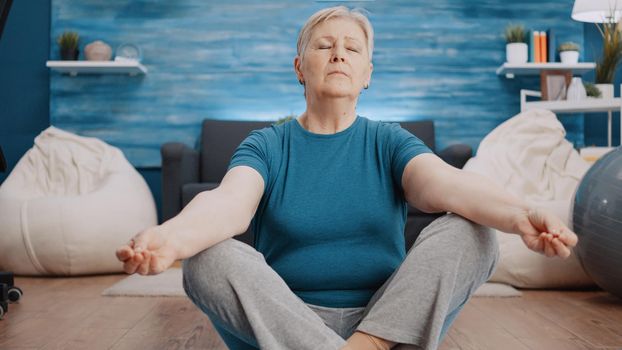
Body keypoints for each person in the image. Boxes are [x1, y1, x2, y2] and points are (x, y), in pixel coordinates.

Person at [115, 6, 578, 350]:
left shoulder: (389, 141)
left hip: (389, 321)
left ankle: (367, 346)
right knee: (206, 258)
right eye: (323, 45)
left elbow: (448, 184)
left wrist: (520, 215)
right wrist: (171, 238)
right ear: (300, 68)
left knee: (472, 232)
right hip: (284, 325)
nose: (338, 54)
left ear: (367, 74)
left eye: (352, 48)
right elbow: (228, 204)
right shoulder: (267, 145)